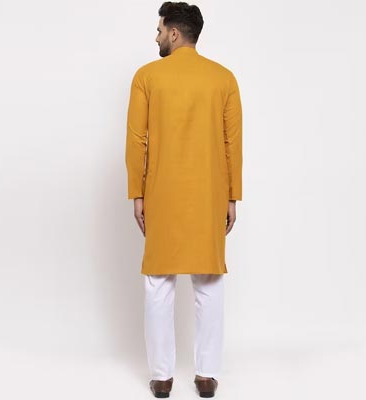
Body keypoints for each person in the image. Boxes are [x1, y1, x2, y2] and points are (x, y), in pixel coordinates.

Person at [125, 1, 243, 397]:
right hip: (210, 193)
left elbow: (136, 141)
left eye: (160, 30)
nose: (157, 37)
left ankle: (161, 377)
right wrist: (232, 196)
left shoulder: (147, 76)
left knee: (159, 282)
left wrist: (137, 193)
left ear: (174, 33)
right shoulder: (224, 78)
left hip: (162, 192)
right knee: (209, 281)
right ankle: (206, 375)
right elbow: (232, 144)